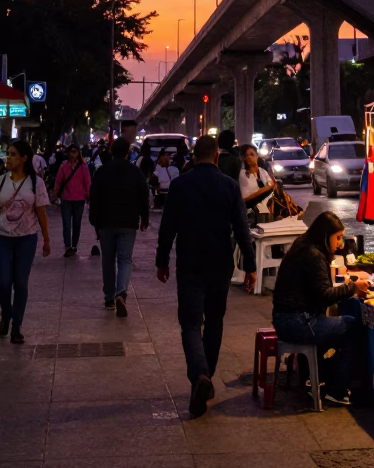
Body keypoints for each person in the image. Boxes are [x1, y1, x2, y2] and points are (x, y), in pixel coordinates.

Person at [156, 135, 256, 419]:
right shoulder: (229, 185)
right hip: (220, 264)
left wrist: (162, 261)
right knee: (214, 321)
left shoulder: (179, 185)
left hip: (190, 264)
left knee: (190, 324)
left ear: (193, 156)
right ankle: (206, 376)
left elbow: (167, 227)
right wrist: (250, 266)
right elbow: (242, 229)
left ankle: (200, 376)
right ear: (216, 157)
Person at [271, 211, 369, 407]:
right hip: (298, 322)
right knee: (353, 326)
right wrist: (352, 288)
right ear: (325, 235)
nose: (340, 244)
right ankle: (338, 390)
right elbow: (325, 295)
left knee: (339, 327)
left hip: (285, 319)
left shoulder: (303, 245)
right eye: (337, 238)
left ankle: (319, 378)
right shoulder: (314, 255)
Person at [0, 139, 51, 344]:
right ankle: (6, 313)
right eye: (8, 154)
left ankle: (16, 326)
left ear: (24, 158)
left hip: (26, 239)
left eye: (13, 154)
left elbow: (41, 212)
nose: (8, 158)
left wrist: (46, 238)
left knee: (20, 283)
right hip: (2, 238)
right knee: (3, 282)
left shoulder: (35, 183)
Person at [89, 137, 150, 315]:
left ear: (111, 151)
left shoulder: (101, 172)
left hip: (106, 222)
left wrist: (95, 222)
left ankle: (109, 297)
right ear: (128, 153)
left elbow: (94, 198)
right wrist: (144, 218)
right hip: (128, 222)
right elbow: (143, 195)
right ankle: (121, 292)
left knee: (108, 259)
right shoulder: (135, 172)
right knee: (124, 259)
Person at [53, 143, 91, 256]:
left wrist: (89, 195)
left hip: (79, 199)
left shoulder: (83, 167)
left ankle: (74, 245)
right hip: (66, 199)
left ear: (78, 153)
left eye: (75, 152)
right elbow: (58, 182)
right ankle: (68, 246)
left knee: (76, 224)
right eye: (71, 152)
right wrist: (55, 195)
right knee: (66, 224)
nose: (72, 154)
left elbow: (87, 182)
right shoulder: (64, 166)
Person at [239, 145, 274, 216]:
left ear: (257, 156)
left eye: (252, 154)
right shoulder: (242, 174)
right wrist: (266, 188)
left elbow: (271, 185)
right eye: (246, 155)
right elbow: (245, 199)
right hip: (252, 213)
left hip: (267, 210)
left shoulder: (262, 171)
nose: (249, 157)